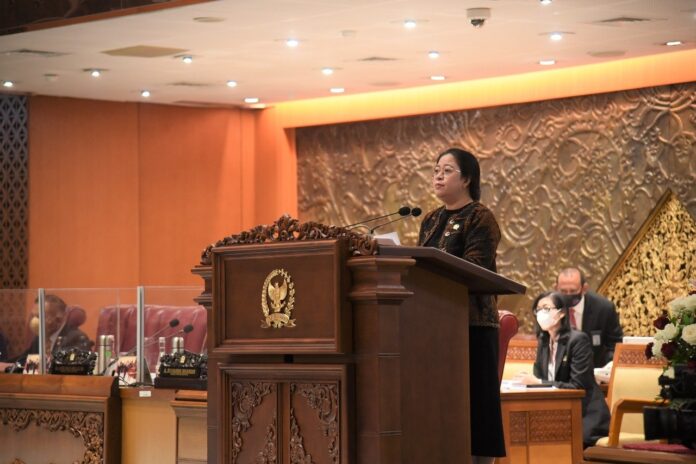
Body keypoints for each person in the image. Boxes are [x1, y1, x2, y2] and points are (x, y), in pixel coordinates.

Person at [418, 147, 504, 463]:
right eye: (436, 170)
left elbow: (476, 268)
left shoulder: (480, 217)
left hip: (472, 325)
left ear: (467, 178)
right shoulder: (430, 220)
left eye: (447, 170)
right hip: (433, 325)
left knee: (476, 407)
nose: (438, 176)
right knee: (441, 405)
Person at [515, 291, 610, 448]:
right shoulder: (544, 342)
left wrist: (539, 382)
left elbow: (577, 386)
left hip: (584, 415)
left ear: (561, 313)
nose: (541, 314)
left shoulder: (578, 340)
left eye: (546, 308)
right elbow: (539, 378)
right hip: (556, 413)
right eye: (538, 310)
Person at [555, 267, 623, 368]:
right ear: (556, 288)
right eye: (563, 291)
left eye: (573, 291)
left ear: (584, 288)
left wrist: (607, 367)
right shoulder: (549, 307)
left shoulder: (604, 309)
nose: (568, 295)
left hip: (595, 369)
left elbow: (615, 345)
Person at [12, 294, 94, 366]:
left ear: (58, 319)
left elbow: (69, 367)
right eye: (33, 316)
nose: (34, 321)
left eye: (40, 316)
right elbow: (23, 359)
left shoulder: (76, 338)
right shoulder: (40, 337)